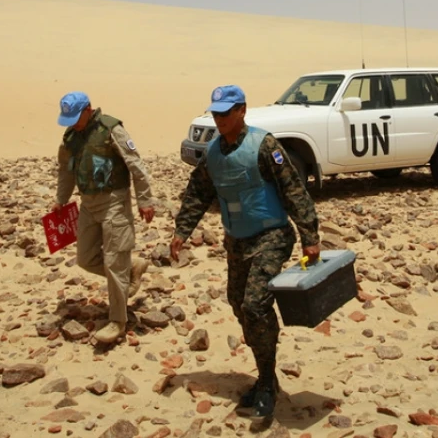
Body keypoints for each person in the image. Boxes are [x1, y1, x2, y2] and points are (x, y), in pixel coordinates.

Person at [169, 85, 321, 418]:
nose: (220, 119)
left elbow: (293, 189)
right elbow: (198, 192)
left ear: (242, 111)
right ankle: (265, 372)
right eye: (216, 113)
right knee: (239, 305)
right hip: (236, 241)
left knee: (255, 305)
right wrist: (182, 230)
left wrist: (310, 235)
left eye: (226, 112)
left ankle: (266, 382)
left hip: (272, 237)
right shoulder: (212, 153)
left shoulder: (264, 146)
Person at [54, 91, 155, 344]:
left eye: (77, 117)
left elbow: (135, 165)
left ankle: (117, 321)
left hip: (114, 203)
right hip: (88, 204)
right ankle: (130, 269)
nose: (74, 123)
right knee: (85, 258)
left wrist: (145, 200)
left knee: (113, 262)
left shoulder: (111, 129)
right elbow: (65, 171)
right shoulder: (70, 137)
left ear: (88, 109)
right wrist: (61, 199)